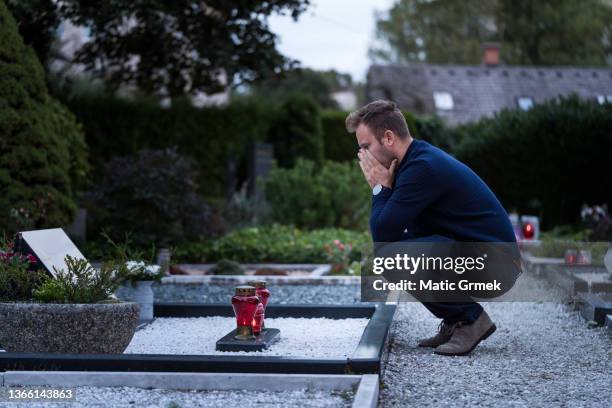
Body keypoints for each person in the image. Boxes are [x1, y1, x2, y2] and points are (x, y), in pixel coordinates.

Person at [346, 100, 517, 356]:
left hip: (497, 265)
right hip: (484, 257)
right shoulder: (412, 164)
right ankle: (455, 321)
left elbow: (382, 235)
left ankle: (471, 321)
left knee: (389, 259)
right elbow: (396, 232)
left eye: (365, 147)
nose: (363, 156)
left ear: (388, 138)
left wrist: (379, 188)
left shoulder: (421, 168)